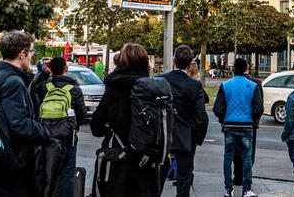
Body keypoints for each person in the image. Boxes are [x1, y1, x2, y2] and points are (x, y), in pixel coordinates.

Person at [0, 31, 49, 196]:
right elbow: (19, 124)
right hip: (10, 163)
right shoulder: (13, 81)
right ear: (22, 54)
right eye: (31, 52)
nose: (31, 57)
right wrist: (43, 130)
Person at [90, 43, 161, 196]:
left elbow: (96, 128)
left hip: (117, 160)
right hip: (146, 161)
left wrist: (110, 125)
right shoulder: (153, 89)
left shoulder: (114, 88)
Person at [159, 45, 210, 197]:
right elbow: (201, 117)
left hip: (162, 135)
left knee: (158, 176)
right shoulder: (194, 86)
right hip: (185, 136)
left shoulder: (161, 80)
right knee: (184, 177)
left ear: (174, 60)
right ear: (189, 64)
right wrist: (197, 137)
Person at [213, 58, 264, 197]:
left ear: (234, 68)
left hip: (229, 125)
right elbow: (259, 108)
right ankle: (246, 189)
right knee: (247, 157)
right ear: (246, 68)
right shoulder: (252, 86)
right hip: (246, 125)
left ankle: (228, 189)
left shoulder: (225, 85)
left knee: (228, 157)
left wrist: (224, 119)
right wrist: (251, 118)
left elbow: (217, 108)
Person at [39, 56, 87, 197]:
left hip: (46, 135)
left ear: (51, 70)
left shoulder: (44, 88)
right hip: (68, 137)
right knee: (67, 174)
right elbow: (82, 117)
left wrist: (44, 72)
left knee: (46, 171)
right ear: (66, 69)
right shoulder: (74, 89)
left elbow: (33, 91)